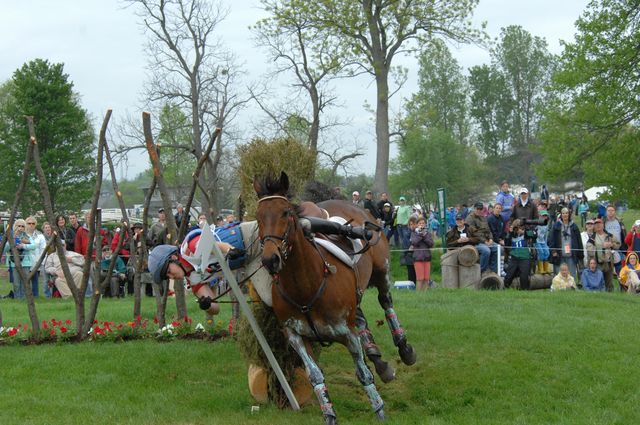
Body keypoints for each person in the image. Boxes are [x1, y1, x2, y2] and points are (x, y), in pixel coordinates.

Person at [3, 219, 35, 299]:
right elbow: (4, 249)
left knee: (25, 281)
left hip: (25, 262)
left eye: (22, 226)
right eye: (19, 226)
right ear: (15, 226)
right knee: (16, 283)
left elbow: (33, 246)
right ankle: (17, 298)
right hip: (14, 263)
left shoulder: (27, 236)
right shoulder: (10, 236)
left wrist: (23, 246)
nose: (20, 228)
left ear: (25, 227)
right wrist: (12, 241)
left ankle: (25, 298)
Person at [586, 217, 620, 292]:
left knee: (609, 283)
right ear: (594, 226)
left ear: (603, 225)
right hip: (597, 264)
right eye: (596, 224)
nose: (598, 225)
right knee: (598, 283)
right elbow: (590, 250)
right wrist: (601, 247)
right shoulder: (592, 238)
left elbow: (618, 244)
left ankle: (611, 298)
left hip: (609, 263)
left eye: (599, 223)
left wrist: (611, 244)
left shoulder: (610, 236)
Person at [549, 207, 583, 280]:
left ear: (569, 214)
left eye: (566, 213)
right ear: (561, 214)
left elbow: (579, 241)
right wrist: (553, 251)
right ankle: (559, 289)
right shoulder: (556, 226)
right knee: (559, 276)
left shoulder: (574, 226)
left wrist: (580, 254)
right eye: (563, 213)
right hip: (559, 255)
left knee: (571, 276)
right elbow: (551, 239)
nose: (565, 215)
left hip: (571, 255)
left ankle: (571, 288)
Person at [465, 202, 498, 273]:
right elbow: (474, 233)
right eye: (477, 209)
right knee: (486, 251)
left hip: (486, 241)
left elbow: (488, 230)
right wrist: (485, 241)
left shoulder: (483, 218)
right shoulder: (469, 218)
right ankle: (482, 271)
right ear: (474, 209)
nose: (479, 210)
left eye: (481, 209)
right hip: (475, 242)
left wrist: (491, 239)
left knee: (498, 248)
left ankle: (493, 270)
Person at [503, 219, 533, 290]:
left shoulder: (526, 233)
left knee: (524, 277)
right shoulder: (512, 234)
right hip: (514, 258)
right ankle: (505, 288)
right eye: (517, 227)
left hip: (525, 258)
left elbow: (534, 235)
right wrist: (509, 233)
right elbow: (506, 244)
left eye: (520, 227)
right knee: (509, 276)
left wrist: (524, 231)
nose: (518, 229)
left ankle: (524, 291)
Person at [409, 217, 433, 290]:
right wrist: (420, 235)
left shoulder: (428, 233)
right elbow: (414, 242)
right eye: (420, 223)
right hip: (418, 258)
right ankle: (419, 294)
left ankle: (424, 295)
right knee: (420, 278)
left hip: (427, 257)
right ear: (417, 225)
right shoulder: (414, 233)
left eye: (423, 223)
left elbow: (431, 244)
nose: (421, 225)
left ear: (425, 224)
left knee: (426, 278)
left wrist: (424, 235)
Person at [25, 216, 46, 297]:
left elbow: (43, 249)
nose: (31, 225)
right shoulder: (23, 235)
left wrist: (40, 262)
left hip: (36, 262)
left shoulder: (40, 236)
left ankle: (36, 296)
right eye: (29, 223)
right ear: (26, 224)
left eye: (33, 223)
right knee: (25, 280)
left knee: (35, 281)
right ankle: (25, 296)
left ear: (35, 225)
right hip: (25, 261)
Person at [604, 204, 627, 274]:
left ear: (615, 212)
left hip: (619, 249)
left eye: (612, 210)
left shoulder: (620, 222)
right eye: (609, 210)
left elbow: (624, 235)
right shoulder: (603, 222)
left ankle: (622, 284)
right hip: (606, 250)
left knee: (621, 272)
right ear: (606, 212)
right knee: (607, 273)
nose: (610, 212)